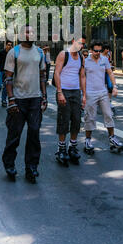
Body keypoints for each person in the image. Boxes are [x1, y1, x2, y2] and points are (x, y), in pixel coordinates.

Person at [2, 25, 47, 183]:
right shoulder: (13, 52)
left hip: (35, 99)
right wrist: (11, 99)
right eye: (28, 32)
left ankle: (31, 167)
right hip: (18, 99)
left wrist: (44, 97)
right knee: (15, 135)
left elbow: (42, 76)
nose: (31, 34)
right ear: (22, 35)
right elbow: (8, 78)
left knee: (34, 133)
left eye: (33, 31)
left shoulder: (40, 52)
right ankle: (9, 165)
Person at [83, 41, 123, 154]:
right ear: (91, 50)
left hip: (103, 92)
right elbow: (82, 78)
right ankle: (87, 140)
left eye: (100, 51)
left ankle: (112, 139)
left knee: (109, 115)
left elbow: (110, 73)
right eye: (95, 51)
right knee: (90, 117)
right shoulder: (86, 62)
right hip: (90, 93)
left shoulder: (104, 59)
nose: (98, 53)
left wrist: (114, 86)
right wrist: (84, 95)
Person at [53, 38, 86, 166]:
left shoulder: (81, 57)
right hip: (64, 91)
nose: (81, 45)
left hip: (76, 92)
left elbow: (82, 76)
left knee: (77, 119)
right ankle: (61, 148)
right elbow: (57, 72)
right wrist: (59, 91)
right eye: (79, 43)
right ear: (73, 42)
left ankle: (72, 147)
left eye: (83, 44)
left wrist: (84, 95)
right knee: (64, 120)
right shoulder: (63, 54)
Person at [0, 41, 13, 107]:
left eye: (10, 45)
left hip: (8, 72)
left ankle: (3, 100)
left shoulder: (12, 53)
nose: (9, 46)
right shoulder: (2, 52)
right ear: (6, 45)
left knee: (6, 87)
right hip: (1, 71)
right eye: (8, 45)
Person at [102, 43, 116, 116]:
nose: (108, 50)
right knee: (103, 88)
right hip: (101, 73)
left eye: (108, 49)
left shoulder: (109, 55)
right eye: (107, 49)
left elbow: (110, 63)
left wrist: (111, 67)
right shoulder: (100, 55)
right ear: (104, 49)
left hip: (108, 73)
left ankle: (109, 101)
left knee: (110, 87)